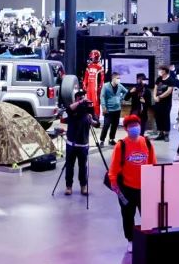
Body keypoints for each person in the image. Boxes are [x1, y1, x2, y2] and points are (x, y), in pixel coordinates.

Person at [107, 114, 155, 252]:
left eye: (136, 125)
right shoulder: (121, 146)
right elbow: (113, 168)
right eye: (131, 126)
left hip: (144, 187)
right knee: (128, 216)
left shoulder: (147, 143)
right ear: (126, 129)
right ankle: (131, 240)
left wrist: (154, 183)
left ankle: (148, 238)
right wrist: (114, 184)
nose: (135, 128)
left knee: (148, 215)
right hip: (126, 188)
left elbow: (153, 163)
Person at [63, 89, 96, 197]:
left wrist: (92, 120)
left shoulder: (89, 108)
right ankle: (69, 186)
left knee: (83, 167)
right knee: (69, 166)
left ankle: (83, 186)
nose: (82, 98)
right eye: (79, 96)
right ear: (76, 98)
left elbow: (97, 124)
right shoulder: (73, 108)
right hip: (71, 144)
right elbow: (68, 109)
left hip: (83, 144)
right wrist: (80, 102)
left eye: (83, 96)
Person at [99, 71, 128, 146]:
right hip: (108, 110)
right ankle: (102, 140)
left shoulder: (120, 86)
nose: (119, 80)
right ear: (113, 78)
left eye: (119, 78)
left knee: (115, 125)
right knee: (106, 125)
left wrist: (121, 98)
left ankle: (111, 139)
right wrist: (103, 107)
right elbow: (102, 96)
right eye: (117, 78)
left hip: (117, 109)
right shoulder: (106, 86)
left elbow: (126, 92)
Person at [150, 67, 174, 140]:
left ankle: (166, 134)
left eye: (161, 70)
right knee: (158, 117)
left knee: (165, 117)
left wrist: (160, 97)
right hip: (158, 102)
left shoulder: (170, 80)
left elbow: (169, 91)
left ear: (165, 71)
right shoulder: (159, 79)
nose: (159, 71)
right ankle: (160, 133)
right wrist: (154, 97)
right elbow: (155, 88)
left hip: (166, 103)